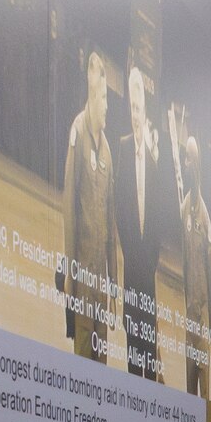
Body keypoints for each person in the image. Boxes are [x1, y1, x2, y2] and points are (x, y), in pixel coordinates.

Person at [112, 64, 171, 381]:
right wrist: (131, 253)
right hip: (131, 264)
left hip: (147, 268)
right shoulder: (122, 148)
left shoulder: (153, 157)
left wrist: (151, 259)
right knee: (131, 335)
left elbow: (160, 214)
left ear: (145, 110)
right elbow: (120, 208)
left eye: (139, 108)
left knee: (149, 336)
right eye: (132, 108)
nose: (135, 114)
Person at [60, 49, 117, 363]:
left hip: (100, 281)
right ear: (92, 94)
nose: (107, 104)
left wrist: (113, 284)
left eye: (108, 97)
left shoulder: (107, 150)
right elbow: (69, 206)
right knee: (83, 356)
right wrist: (70, 272)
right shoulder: (78, 131)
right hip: (82, 277)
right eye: (104, 96)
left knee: (102, 360)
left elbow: (110, 222)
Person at [168, 104, 211, 397]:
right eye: (184, 158)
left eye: (190, 159)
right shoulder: (184, 208)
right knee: (188, 393)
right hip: (189, 321)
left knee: (205, 395)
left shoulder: (204, 216)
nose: (187, 164)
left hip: (202, 323)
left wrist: (210, 323)